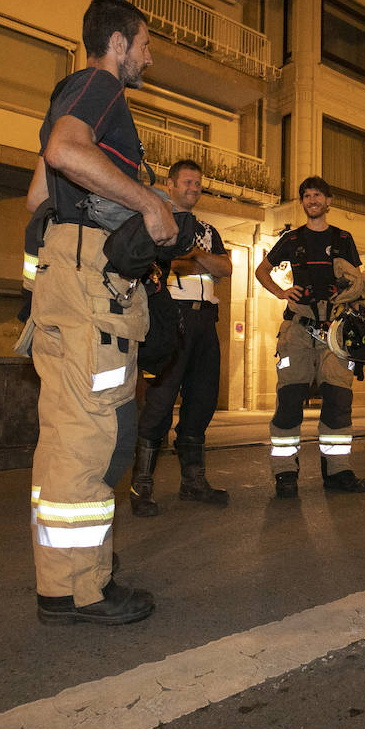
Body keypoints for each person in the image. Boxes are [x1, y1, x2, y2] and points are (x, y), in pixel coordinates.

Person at [22, 0, 176, 626]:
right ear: (117, 42)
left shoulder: (68, 93)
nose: (148, 54)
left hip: (72, 278)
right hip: (89, 287)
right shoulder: (99, 86)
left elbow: (37, 196)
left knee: (77, 434)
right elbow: (63, 153)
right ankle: (75, 593)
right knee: (87, 437)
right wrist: (148, 203)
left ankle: (75, 575)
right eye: (143, 43)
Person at [129, 159, 234, 516]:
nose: (193, 187)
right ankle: (140, 488)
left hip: (205, 323)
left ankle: (193, 482)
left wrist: (195, 255)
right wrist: (187, 261)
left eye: (198, 183)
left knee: (202, 402)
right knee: (158, 405)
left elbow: (226, 268)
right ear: (170, 185)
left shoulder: (207, 230)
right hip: (168, 320)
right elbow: (160, 264)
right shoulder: (156, 219)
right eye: (187, 182)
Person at [253, 177, 365, 498]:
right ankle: (285, 473)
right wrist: (281, 292)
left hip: (333, 329)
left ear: (328, 201)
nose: (312, 199)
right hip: (299, 328)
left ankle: (338, 471)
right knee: (289, 399)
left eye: (317, 194)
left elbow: (356, 283)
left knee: (337, 398)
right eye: (306, 195)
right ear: (303, 202)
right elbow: (262, 270)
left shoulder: (343, 239)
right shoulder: (291, 239)